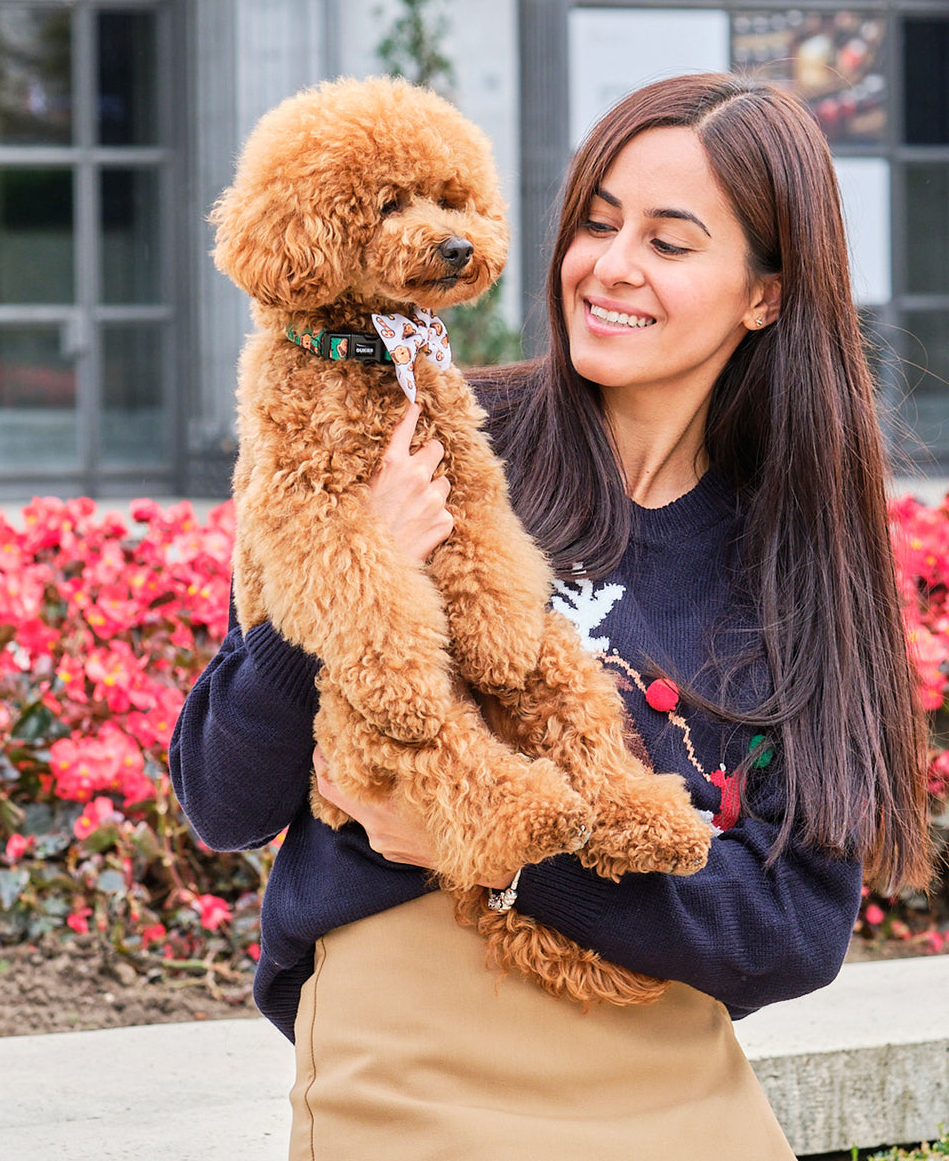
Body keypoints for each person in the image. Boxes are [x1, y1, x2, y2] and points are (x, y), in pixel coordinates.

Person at [170, 73, 931, 1160]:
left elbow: (797, 927)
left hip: (664, 1058)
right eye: (597, 222)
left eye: (671, 243)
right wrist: (350, 579)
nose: (611, 268)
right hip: (409, 1050)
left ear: (766, 292)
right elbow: (222, 794)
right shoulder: (425, 436)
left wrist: (512, 858)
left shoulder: (792, 555)